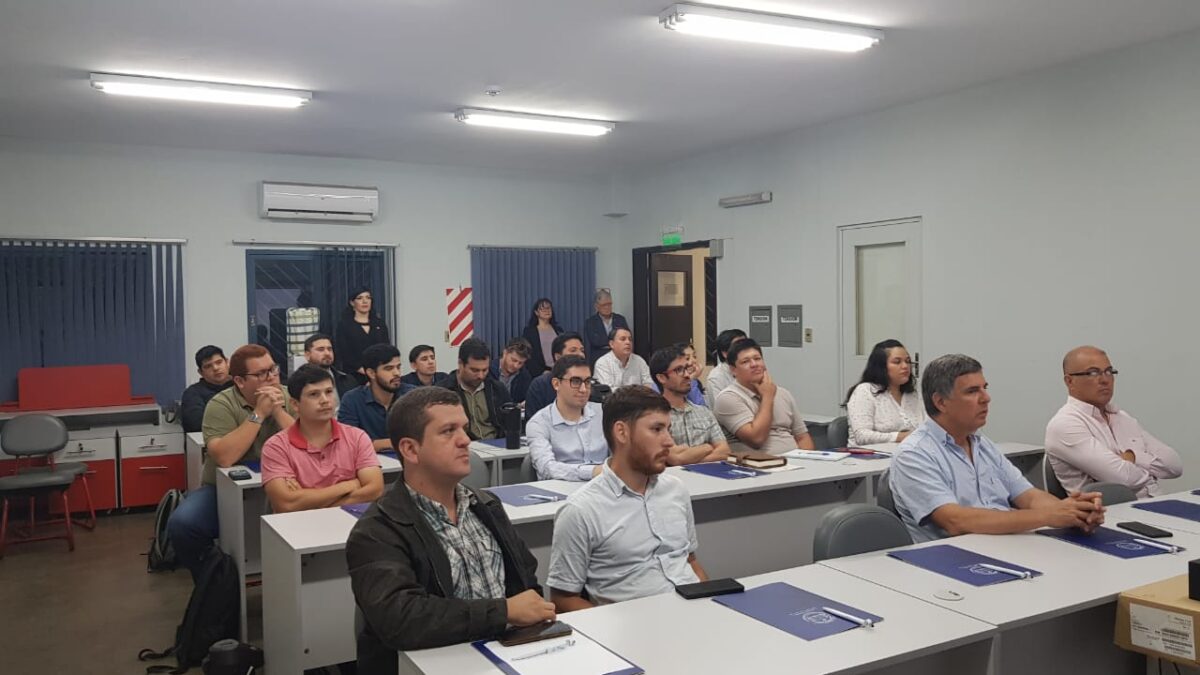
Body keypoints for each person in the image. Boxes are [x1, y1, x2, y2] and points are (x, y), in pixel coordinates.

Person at [346, 387, 553, 672]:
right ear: (410, 449)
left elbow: (526, 582)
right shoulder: (377, 530)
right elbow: (400, 618)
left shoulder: (485, 506)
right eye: (448, 431)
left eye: (464, 429)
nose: (465, 440)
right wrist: (503, 612)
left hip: (501, 657)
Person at [889, 353, 1106, 544]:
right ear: (941, 402)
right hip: (955, 560)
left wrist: (1073, 513)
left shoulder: (981, 443)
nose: (986, 398)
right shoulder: (914, 454)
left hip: (1004, 545)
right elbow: (955, 521)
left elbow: (1028, 496)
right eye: (972, 391)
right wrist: (1049, 517)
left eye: (985, 388)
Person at [547, 386, 708, 610]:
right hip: (632, 629)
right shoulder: (581, 510)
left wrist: (706, 603)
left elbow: (690, 561)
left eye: (668, 429)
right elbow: (563, 598)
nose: (669, 441)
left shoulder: (676, 490)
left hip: (693, 615)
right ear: (621, 432)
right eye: (656, 429)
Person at [167, 344, 295, 581]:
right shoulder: (220, 404)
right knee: (183, 524)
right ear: (239, 381)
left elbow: (310, 445)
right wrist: (259, 413)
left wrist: (277, 411)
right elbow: (225, 457)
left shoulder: (289, 396)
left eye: (272, 370)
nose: (270, 378)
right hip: (222, 490)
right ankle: (213, 584)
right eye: (260, 374)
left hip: (285, 484)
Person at [1045, 346, 1182, 499]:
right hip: (1108, 515)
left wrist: (1133, 457)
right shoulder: (1065, 424)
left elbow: (1175, 466)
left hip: (1154, 503)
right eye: (1093, 373)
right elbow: (1124, 479)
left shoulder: (1121, 417)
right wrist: (1152, 474)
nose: (1105, 380)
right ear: (1070, 381)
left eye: (1109, 371)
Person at [261, 365, 384, 513]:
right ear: (295, 404)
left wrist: (307, 501)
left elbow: (375, 490)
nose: (325, 400)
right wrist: (349, 485)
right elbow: (286, 504)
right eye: (314, 394)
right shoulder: (276, 446)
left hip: (349, 524)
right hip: (297, 529)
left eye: (329, 392)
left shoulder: (357, 437)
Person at [714, 339, 814, 455]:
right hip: (757, 465)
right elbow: (756, 439)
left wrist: (807, 462)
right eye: (745, 361)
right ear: (733, 370)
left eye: (757, 359)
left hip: (795, 461)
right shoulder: (728, 398)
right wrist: (767, 397)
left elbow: (802, 437)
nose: (754, 364)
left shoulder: (783, 393)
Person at [526, 355, 610, 481]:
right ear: (556, 384)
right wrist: (592, 472)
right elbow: (547, 468)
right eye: (575, 382)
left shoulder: (604, 413)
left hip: (606, 488)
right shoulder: (539, 423)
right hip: (562, 492)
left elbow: (621, 458)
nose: (583, 389)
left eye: (587, 382)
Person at [650, 345, 730, 466]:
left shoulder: (704, 412)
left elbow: (725, 452)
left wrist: (689, 457)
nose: (687, 375)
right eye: (679, 370)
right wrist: (707, 447)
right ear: (661, 377)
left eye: (687, 368)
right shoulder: (655, 416)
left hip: (709, 479)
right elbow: (675, 459)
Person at [844, 339, 925, 445]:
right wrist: (900, 436)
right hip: (868, 456)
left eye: (908, 361)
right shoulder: (865, 391)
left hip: (907, 454)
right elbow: (862, 436)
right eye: (897, 362)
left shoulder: (913, 395)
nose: (905, 366)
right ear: (881, 367)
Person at [339, 344, 417, 451]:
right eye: (388, 368)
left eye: (398, 367)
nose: (397, 373)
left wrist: (374, 444)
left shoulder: (412, 395)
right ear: (371, 373)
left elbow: (423, 437)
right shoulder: (352, 400)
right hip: (368, 464)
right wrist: (393, 442)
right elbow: (348, 443)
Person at [439, 337, 511, 441]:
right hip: (462, 447)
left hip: (498, 447)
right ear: (460, 364)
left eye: (485, 370)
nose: (481, 376)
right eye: (474, 370)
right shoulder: (444, 391)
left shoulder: (497, 389)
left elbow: (509, 423)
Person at [524, 332, 592, 422]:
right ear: (558, 357)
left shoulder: (589, 384)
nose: (580, 354)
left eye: (582, 350)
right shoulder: (540, 386)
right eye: (573, 350)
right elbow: (533, 422)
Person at [335, 286, 391, 384]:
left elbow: (386, 348)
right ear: (352, 303)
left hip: (379, 373)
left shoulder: (379, 323)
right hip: (354, 375)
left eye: (368, 298)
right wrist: (364, 371)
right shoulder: (344, 325)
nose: (365, 301)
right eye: (360, 298)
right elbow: (344, 352)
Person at [179, 345, 233, 433]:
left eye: (219, 362)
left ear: (227, 362)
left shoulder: (241, 385)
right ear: (201, 372)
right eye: (208, 366)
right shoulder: (193, 393)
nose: (215, 368)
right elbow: (196, 425)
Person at [302, 333, 359, 399]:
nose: (327, 353)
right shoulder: (300, 382)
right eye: (321, 349)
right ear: (307, 355)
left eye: (329, 349)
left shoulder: (348, 380)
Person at [582, 289, 629, 367]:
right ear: (596, 306)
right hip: (598, 360)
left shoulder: (620, 319)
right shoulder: (590, 322)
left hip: (619, 359)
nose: (607, 307)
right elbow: (592, 344)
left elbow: (626, 340)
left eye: (609, 304)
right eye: (604, 305)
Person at [650, 342, 706, 406]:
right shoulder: (660, 385)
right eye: (687, 358)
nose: (693, 361)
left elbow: (701, 407)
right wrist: (691, 379)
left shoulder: (695, 382)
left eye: (694, 356)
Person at [520, 297, 562, 376]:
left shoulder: (559, 330)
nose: (547, 311)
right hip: (541, 372)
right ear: (536, 312)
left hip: (559, 370)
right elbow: (528, 355)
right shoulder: (530, 332)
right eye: (543, 309)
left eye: (549, 308)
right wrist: (541, 372)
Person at [704, 329, 745, 407]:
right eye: (738, 347)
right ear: (725, 353)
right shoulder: (716, 377)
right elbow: (722, 410)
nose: (745, 350)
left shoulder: (750, 369)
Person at [489, 337, 532, 404]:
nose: (516, 366)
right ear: (505, 353)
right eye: (513, 360)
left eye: (520, 363)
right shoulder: (487, 371)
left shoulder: (525, 376)